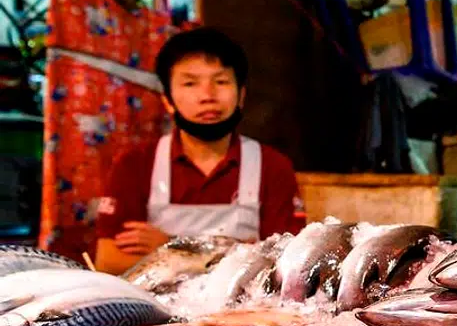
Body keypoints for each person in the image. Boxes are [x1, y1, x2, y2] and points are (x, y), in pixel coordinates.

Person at [95, 28, 306, 272]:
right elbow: (109, 262)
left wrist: (172, 247)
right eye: (190, 83)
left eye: (221, 82)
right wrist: (239, 252)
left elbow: (286, 263)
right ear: (167, 100)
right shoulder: (135, 165)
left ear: (241, 96)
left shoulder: (273, 166)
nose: (207, 96)